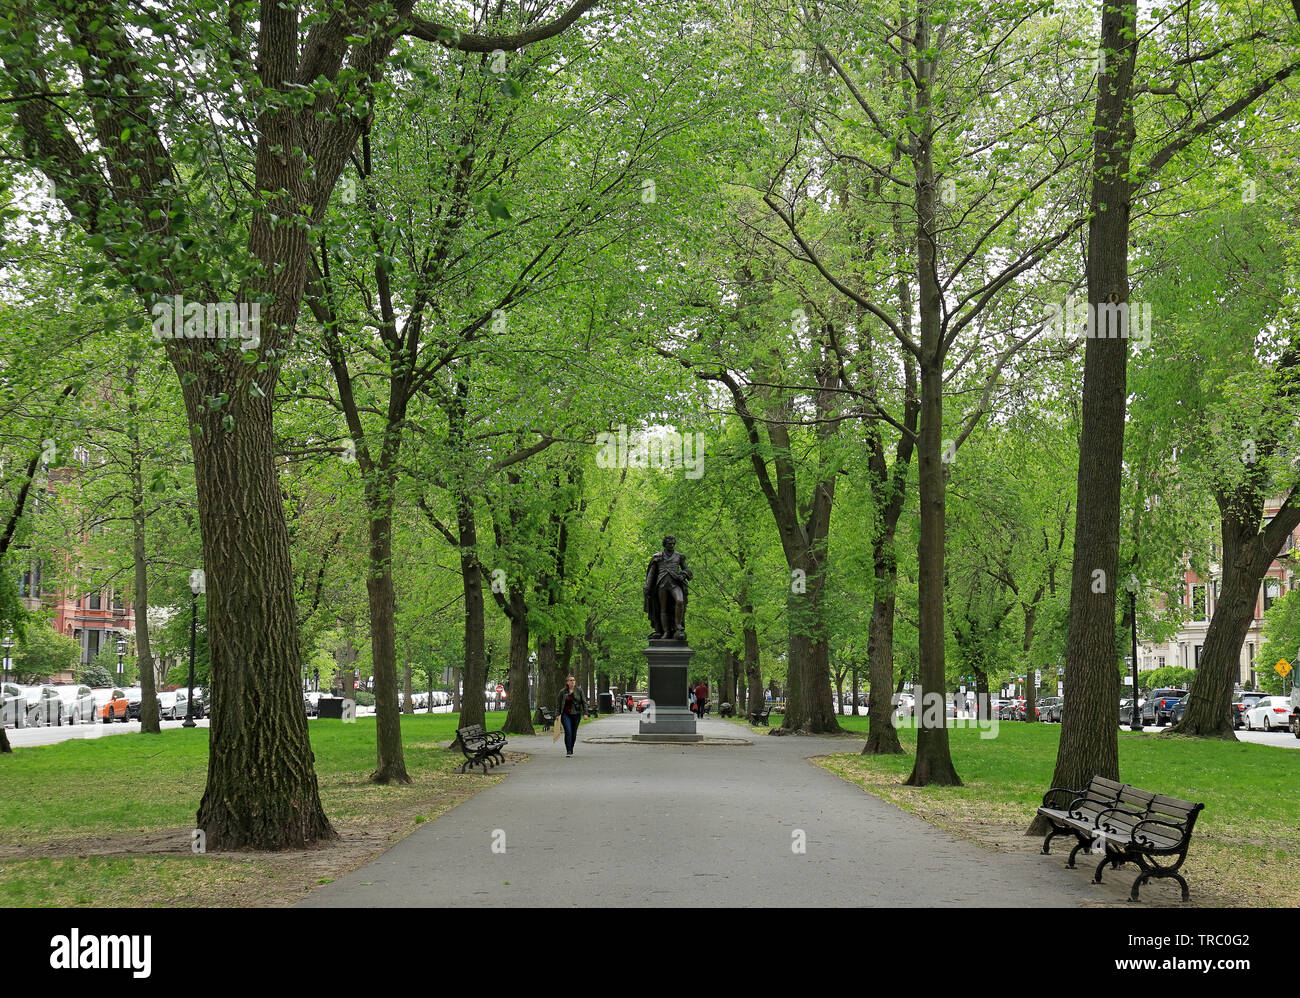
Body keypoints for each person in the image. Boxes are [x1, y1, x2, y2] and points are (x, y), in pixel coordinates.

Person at [556, 674, 586, 757]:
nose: (573, 682)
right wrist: (557, 714)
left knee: (573, 733)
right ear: (567, 682)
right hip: (566, 714)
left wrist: (585, 713)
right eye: (571, 680)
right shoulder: (563, 692)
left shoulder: (579, 691)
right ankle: (568, 750)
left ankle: (571, 747)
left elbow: (584, 702)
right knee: (568, 732)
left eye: (573, 680)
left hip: (576, 714)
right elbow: (558, 704)